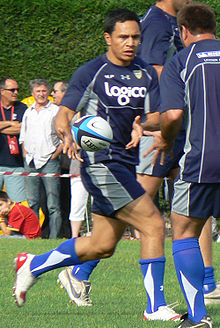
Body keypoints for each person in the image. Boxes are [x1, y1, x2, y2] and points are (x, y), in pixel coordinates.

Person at [12, 9, 181, 321]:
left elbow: (157, 115)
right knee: (154, 224)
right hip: (100, 163)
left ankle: (32, 264)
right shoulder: (91, 71)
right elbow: (65, 113)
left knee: (102, 245)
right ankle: (155, 306)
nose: (131, 43)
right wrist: (66, 133)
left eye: (135, 37)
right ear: (108, 38)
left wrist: (143, 123)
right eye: (123, 37)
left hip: (126, 163)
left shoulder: (145, 73)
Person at [137, 0, 219, 303]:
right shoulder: (161, 26)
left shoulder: (182, 60)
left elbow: (171, 114)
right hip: (199, 152)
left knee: (180, 228)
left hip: (199, 157)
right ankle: (209, 283)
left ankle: (197, 314)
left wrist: (161, 136)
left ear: (183, 30)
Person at [52, 80, 98, 306]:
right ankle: (37, 266)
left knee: (106, 230)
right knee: (79, 209)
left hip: (101, 168)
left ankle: (76, 274)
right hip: (79, 169)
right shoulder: (72, 118)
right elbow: (61, 127)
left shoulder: (94, 116)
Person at [19, 79, 63, 239]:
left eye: (44, 91)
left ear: (48, 92)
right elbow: (23, 136)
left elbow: (65, 137)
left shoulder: (56, 110)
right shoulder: (28, 111)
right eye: (38, 91)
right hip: (30, 161)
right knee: (32, 203)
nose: (41, 94)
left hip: (50, 161)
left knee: (53, 204)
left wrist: (55, 155)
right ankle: (34, 236)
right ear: (32, 93)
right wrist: (25, 154)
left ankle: (53, 238)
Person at [0, 78, 27, 203]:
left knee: (17, 204)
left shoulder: (22, 108)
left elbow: (22, 128)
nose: (16, 92)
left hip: (15, 164)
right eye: (12, 90)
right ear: (2, 91)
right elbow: (16, 126)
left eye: (17, 90)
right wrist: (9, 123)